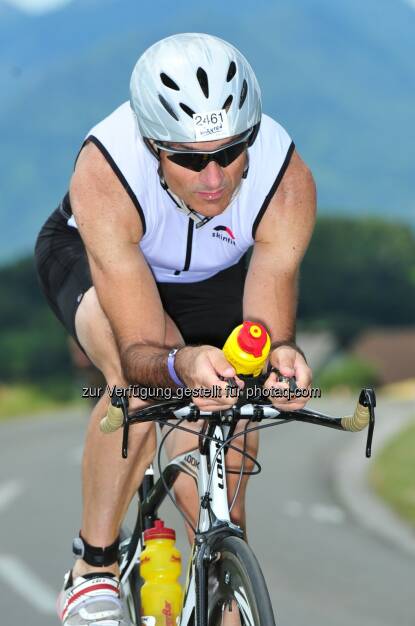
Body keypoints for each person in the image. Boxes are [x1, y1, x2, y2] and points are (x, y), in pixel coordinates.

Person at [35, 32, 316, 626]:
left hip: (212, 272)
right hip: (102, 261)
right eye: (189, 159)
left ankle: (223, 575)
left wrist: (280, 358)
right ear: (150, 145)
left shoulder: (284, 178)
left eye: (231, 151)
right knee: (150, 387)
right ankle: (93, 567)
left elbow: (267, 327)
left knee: (232, 408)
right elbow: (144, 349)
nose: (213, 178)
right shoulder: (107, 170)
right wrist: (179, 365)